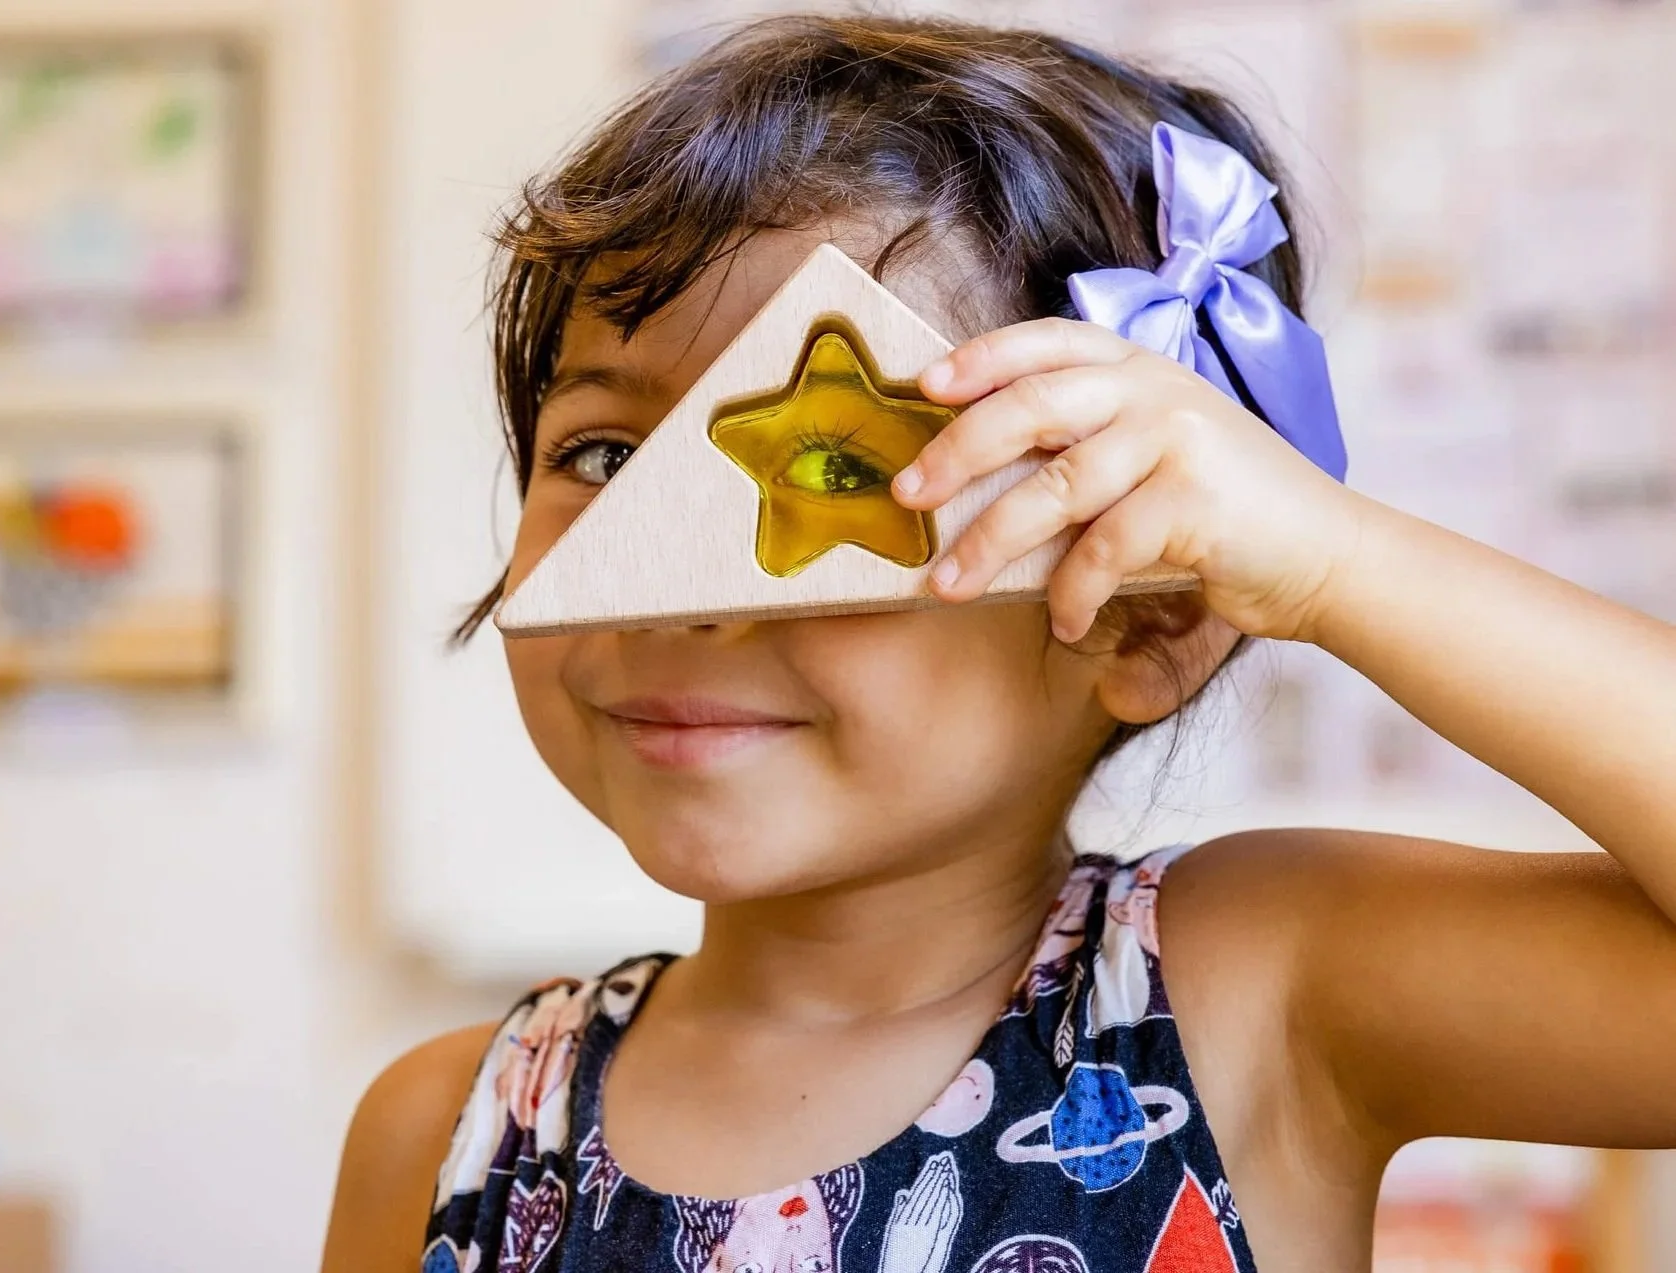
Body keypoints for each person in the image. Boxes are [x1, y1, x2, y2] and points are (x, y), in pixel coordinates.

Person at [319, 14, 1676, 1273]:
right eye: (607, 454)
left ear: (1146, 613)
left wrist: (1336, 563)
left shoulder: (1262, 995)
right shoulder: (448, 1126)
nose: (681, 595)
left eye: (840, 469)